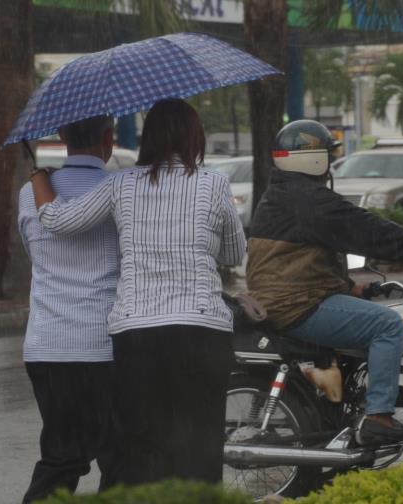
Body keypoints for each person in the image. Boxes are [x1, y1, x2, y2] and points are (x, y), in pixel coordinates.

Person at [29, 99, 245, 485]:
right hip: (202, 330)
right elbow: (235, 252)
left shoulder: (121, 184)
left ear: (149, 140)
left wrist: (38, 178)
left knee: (145, 451)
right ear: (195, 137)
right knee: (200, 448)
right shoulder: (213, 183)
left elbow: (59, 221)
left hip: (139, 335)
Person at [246, 120, 403, 445]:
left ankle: (342, 412)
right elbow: (366, 230)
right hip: (296, 304)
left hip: (288, 298)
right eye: (328, 154)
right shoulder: (309, 199)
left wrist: (348, 287)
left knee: (363, 326)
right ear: (313, 158)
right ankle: (379, 417)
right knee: (387, 326)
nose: (330, 162)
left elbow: (301, 259)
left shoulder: (286, 194)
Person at [17, 115, 120, 503]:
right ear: (109, 139)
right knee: (119, 458)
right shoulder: (116, 189)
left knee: (60, 458)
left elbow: (34, 253)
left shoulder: (31, 193)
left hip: (47, 345)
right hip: (103, 344)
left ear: (61, 136)